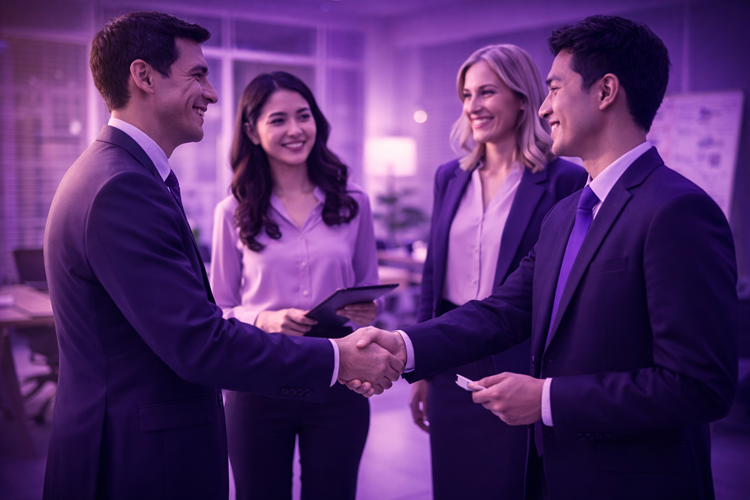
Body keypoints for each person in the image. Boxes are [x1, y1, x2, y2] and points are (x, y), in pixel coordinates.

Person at [350, 15, 738, 500]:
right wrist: (404, 346)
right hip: (553, 472)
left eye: (554, 89)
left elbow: (700, 385)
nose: (546, 106)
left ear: (606, 91)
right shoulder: (566, 213)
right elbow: (505, 310)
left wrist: (547, 398)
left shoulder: (677, 210)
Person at [42, 12, 402, 500]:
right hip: (139, 455)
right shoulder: (122, 186)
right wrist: (336, 357)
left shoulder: (121, 174)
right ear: (144, 76)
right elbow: (200, 340)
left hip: (143, 440)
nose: (212, 93)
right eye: (198, 74)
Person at [408, 44, 585, 500]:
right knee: (453, 482)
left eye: (486, 92)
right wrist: (424, 366)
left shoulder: (563, 179)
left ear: (522, 98)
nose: (473, 106)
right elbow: (433, 273)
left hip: (516, 360)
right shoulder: (450, 176)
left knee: (508, 485)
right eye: (466, 95)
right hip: (449, 356)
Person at [210, 71, 379, 500]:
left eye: (303, 116)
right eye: (278, 119)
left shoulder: (353, 201)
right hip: (258, 375)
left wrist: (366, 310)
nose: (295, 130)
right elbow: (219, 310)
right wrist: (264, 318)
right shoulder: (230, 212)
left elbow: (368, 289)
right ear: (251, 130)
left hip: (341, 375)